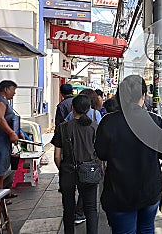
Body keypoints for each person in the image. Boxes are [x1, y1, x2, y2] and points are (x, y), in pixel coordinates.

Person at [95, 75, 162, 234]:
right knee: (146, 229)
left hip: (119, 192)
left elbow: (101, 154)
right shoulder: (156, 121)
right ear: (143, 96)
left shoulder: (108, 122)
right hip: (149, 191)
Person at [52, 94, 99, 234]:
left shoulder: (63, 127)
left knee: (68, 209)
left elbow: (56, 156)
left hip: (68, 172)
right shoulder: (94, 127)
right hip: (89, 171)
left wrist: (63, 168)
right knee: (90, 209)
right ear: (89, 108)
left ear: (72, 108)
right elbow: (100, 155)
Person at [65, 88, 102, 225]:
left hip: (70, 164)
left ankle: (75, 216)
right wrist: (98, 162)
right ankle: (80, 214)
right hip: (90, 163)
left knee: (68, 205)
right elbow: (100, 139)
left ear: (73, 106)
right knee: (91, 205)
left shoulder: (69, 118)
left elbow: (61, 145)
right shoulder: (96, 116)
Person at [0, 81, 19, 199]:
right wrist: (11, 132)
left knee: (1, 171)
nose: (14, 93)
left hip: (4, 141)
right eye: (13, 89)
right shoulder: (0, 100)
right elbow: (0, 119)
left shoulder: (3, 100)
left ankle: (1, 198)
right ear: (6, 89)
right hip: (0, 140)